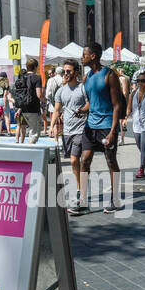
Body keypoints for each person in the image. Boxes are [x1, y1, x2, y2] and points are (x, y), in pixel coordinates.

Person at [78, 42, 126, 213]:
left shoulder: (109, 75)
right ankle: (83, 200)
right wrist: (81, 110)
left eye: (84, 54)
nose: (81, 57)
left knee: (111, 161)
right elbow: (91, 102)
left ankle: (116, 200)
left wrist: (114, 131)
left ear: (93, 56)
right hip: (91, 126)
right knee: (84, 161)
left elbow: (117, 105)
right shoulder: (87, 77)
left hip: (107, 125)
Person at [49, 60, 88, 214]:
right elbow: (57, 111)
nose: (65, 74)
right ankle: (80, 187)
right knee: (74, 163)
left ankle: (81, 193)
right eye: (64, 71)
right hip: (67, 131)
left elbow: (90, 103)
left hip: (81, 129)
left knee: (74, 159)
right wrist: (52, 126)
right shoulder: (61, 91)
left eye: (69, 71)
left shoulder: (82, 88)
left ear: (76, 72)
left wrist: (83, 110)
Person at [13, 58, 45, 143]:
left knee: (30, 130)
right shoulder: (37, 78)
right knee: (34, 133)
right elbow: (39, 95)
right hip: (33, 108)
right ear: (35, 67)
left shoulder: (22, 77)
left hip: (23, 108)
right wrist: (45, 99)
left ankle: (28, 149)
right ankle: (30, 152)